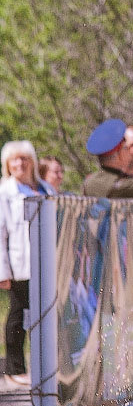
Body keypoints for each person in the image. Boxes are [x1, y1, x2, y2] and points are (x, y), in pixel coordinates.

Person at [0, 141, 54, 390]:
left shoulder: (44, 188)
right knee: (18, 315)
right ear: (7, 165)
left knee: (45, 316)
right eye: (14, 160)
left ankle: (44, 367)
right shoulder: (5, 192)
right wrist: (3, 271)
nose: (20, 164)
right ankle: (14, 369)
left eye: (24, 159)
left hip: (47, 263)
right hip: (20, 264)